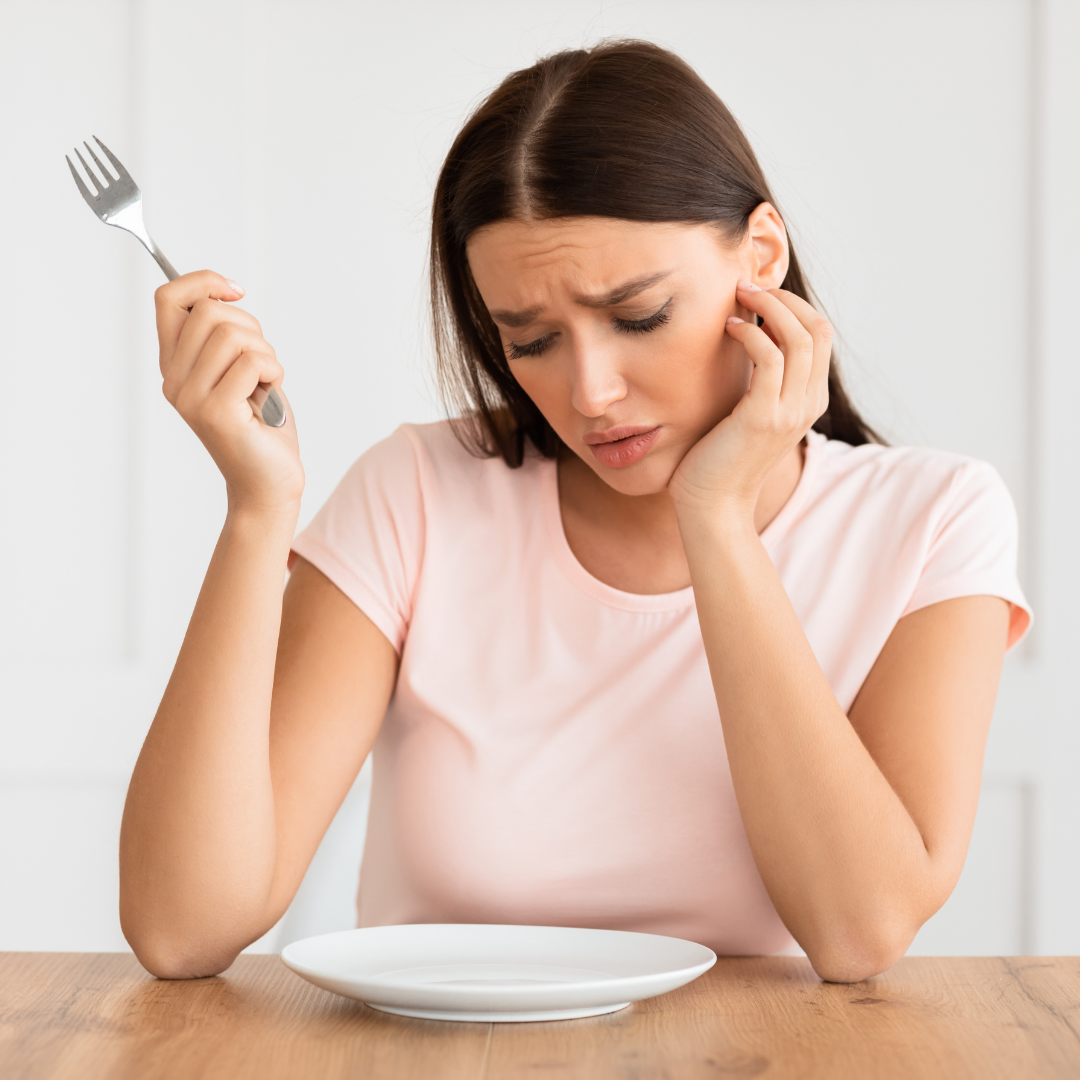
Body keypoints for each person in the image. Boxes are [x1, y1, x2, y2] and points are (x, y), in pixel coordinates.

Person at [119, 40, 1031, 984]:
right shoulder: (418, 494)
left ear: (760, 255)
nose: (590, 391)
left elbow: (860, 930)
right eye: (533, 340)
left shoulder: (935, 519)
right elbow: (184, 928)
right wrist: (258, 512)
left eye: (638, 317)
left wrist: (712, 516)